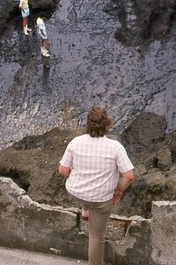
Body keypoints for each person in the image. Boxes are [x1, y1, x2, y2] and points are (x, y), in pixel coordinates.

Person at [58, 106, 134, 265]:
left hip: (76, 191)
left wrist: (73, 170)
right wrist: (119, 190)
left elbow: (62, 170)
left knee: (85, 194)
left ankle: (85, 210)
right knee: (96, 236)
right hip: (101, 199)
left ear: (88, 124)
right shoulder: (115, 147)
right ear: (107, 124)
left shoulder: (75, 142)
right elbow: (128, 176)